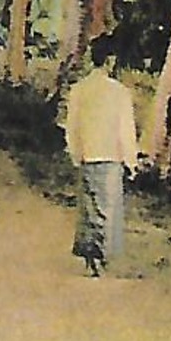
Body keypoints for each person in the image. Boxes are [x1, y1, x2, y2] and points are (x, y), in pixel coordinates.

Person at [61, 35, 139, 276]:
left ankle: (90, 258)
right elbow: (126, 130)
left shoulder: (79, 89)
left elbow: (71, 126)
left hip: (88, 156)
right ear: (110, 60)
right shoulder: (119, 93)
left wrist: (75, 154)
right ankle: (100, 259)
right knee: (107, 209)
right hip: (111, 158)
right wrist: (131, 161)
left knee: (90, 208)